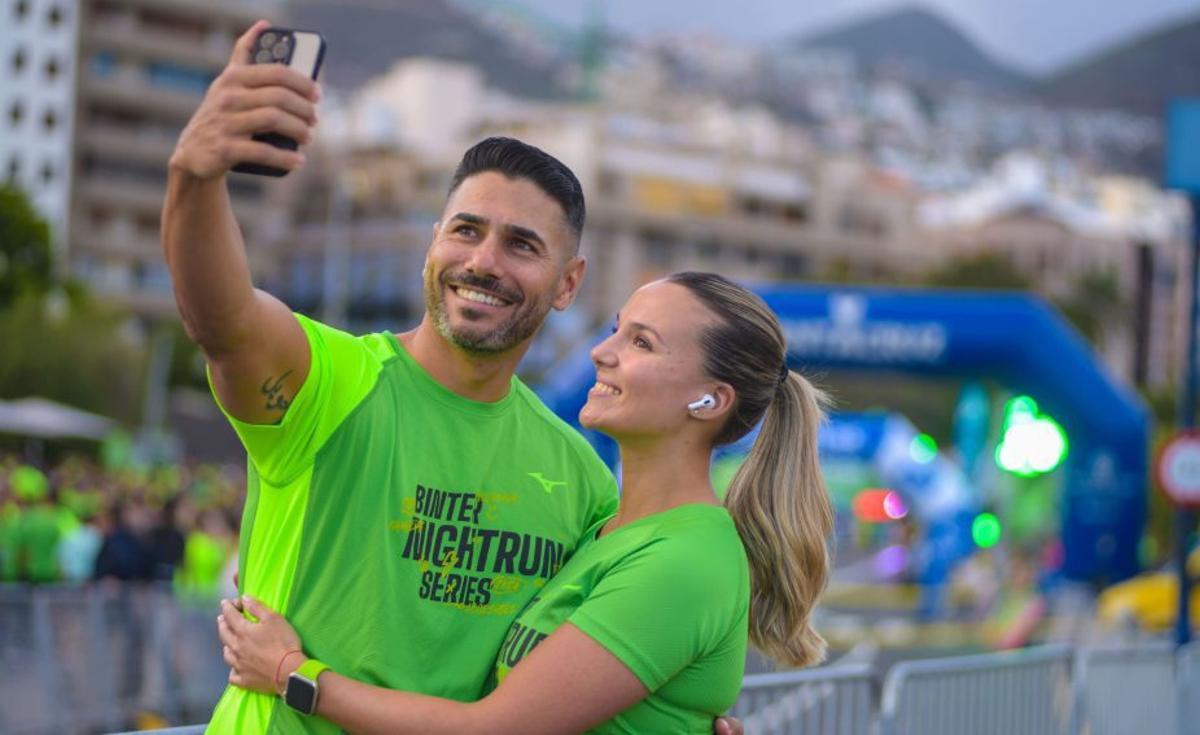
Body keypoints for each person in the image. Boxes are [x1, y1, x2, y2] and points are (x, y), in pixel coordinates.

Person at [163, 21, 743, 734]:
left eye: (522, 244)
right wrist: (194, 175)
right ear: (433, 242)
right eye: (466, 230)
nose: (485, 261)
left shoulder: (582, 479)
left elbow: (565, 677)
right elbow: (221, 319)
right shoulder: (329, 381)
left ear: (568, 285)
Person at [217, 271, 834, 732]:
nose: (603, 350)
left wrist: (292, 673)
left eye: (641, 342)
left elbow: (497, 730)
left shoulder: (685, 560)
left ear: (709, 400)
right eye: (617, 327)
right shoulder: (603, 529)